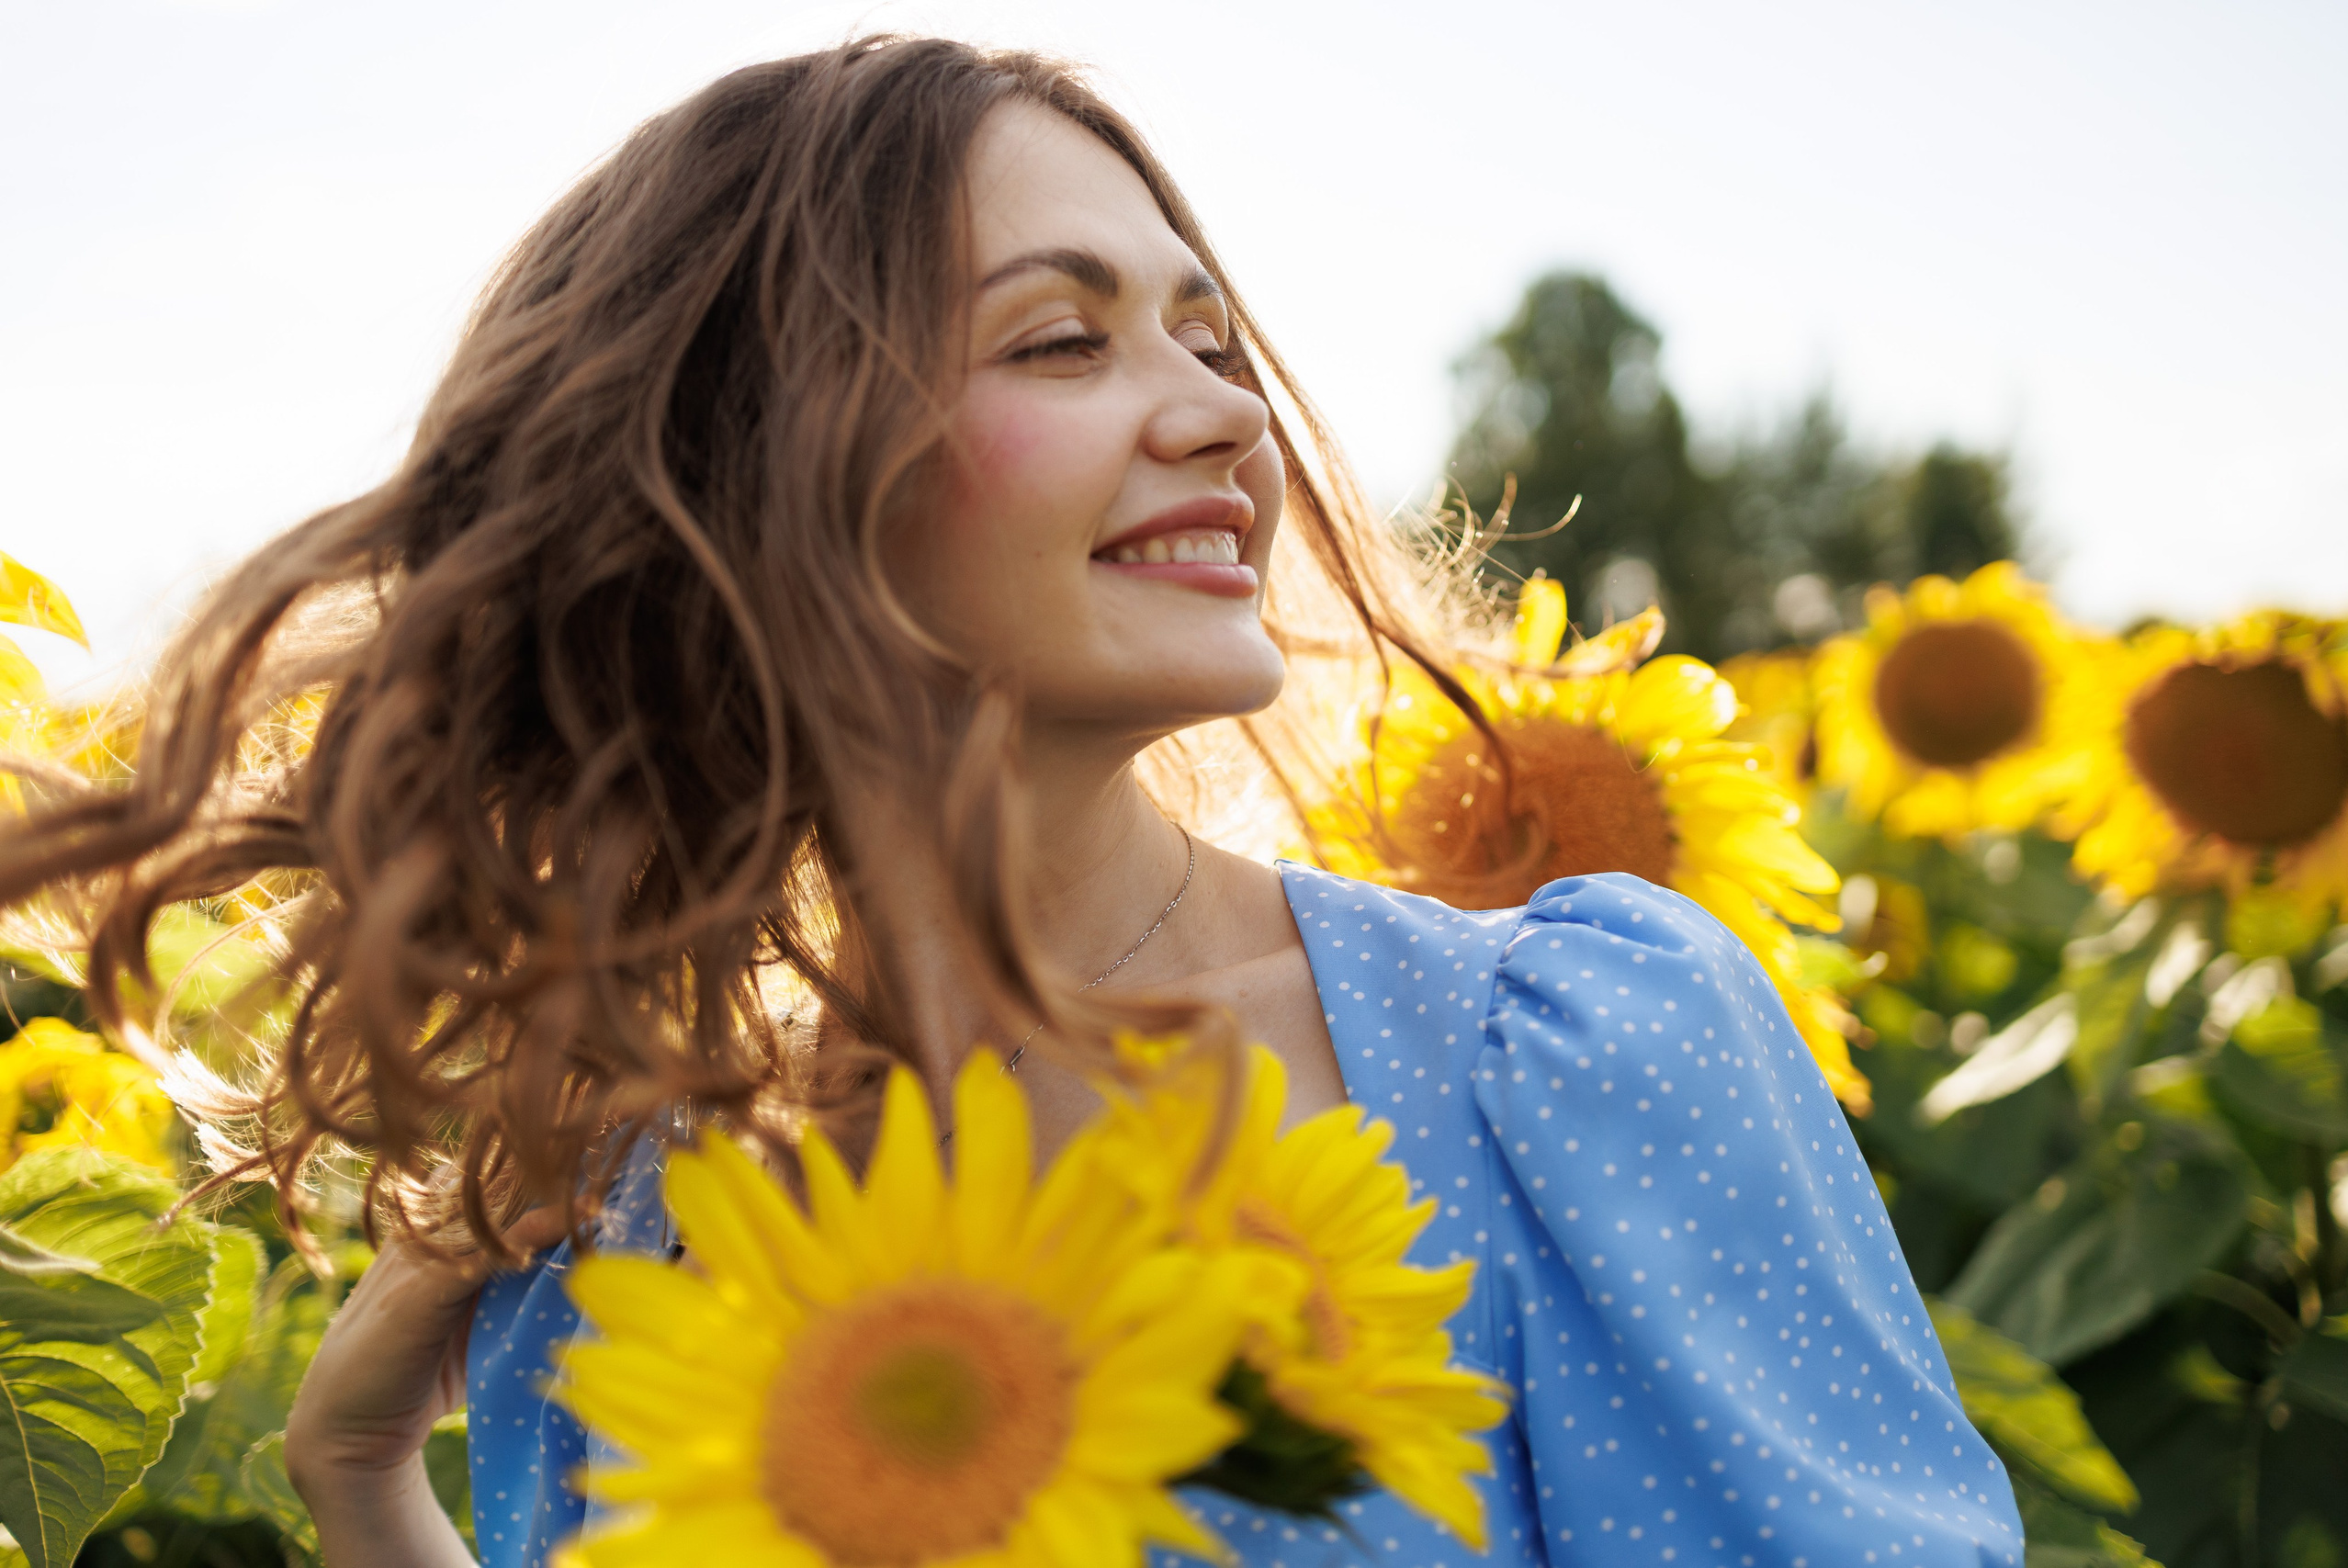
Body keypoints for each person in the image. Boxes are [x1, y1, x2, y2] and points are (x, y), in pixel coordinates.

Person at [1, 36, 2024, 1568]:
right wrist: (360, 1475)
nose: (1226, 411)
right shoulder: (616, 1210)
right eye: (1062, 336)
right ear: (764, 465)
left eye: (1211, 333)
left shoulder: (1562, 1054)